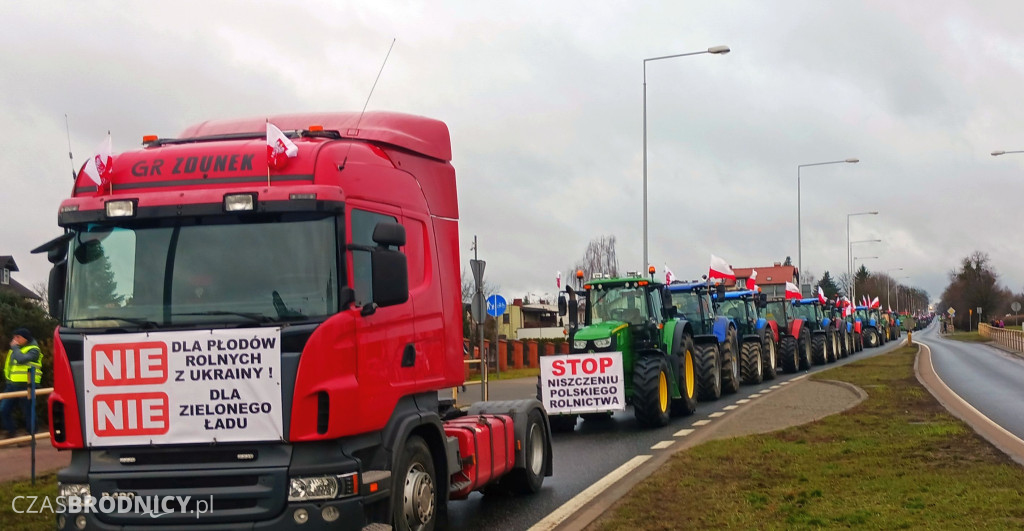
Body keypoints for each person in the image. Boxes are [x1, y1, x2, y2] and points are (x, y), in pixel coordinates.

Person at [1, 328, 43, 438]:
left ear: (26, 338)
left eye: (18, 337)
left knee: (28, 411)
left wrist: (15, 348)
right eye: (14, 337)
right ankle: (11, 432)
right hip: (12, 385)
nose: (15, 339)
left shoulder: (34, 349)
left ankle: (30, 435)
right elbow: (9, 367)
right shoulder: (15, 350)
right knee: (4, 409)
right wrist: (8, 381)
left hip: (28, 385)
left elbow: (21, 359)